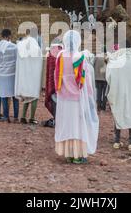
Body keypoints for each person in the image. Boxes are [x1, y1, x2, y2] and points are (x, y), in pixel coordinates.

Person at [54, 30, 99, 164]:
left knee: (67, 124)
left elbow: (57, 74)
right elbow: (86, 79)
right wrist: (90, 95)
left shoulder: (60, 56)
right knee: (78, 125)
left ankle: (68, 153)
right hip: (78, 98)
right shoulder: (80, 57)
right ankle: (78, 154)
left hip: (63, 97)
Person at [15, 28, 43, 125]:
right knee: (34, 95)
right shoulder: (35, 46)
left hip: (24, 75)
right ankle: (31, 118)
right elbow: (39, 60)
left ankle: (23, 116)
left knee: (26, 95)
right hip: (33, 75)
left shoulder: (20, 44)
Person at [0, 29, 19, 122]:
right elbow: (18, 59)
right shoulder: (14, 47)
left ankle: (6, 116)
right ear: (9, 36)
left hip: (1, 74)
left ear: (1, 36)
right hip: (12, 73)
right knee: (14, 96)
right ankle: (16, 117)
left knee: (4, 96)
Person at [44, 42, 62, 127]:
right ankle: (59, 120)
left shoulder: (51, 54)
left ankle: (56, 119)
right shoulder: (62, 53)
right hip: (61, 82)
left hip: (54, 81)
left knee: (54, 100)